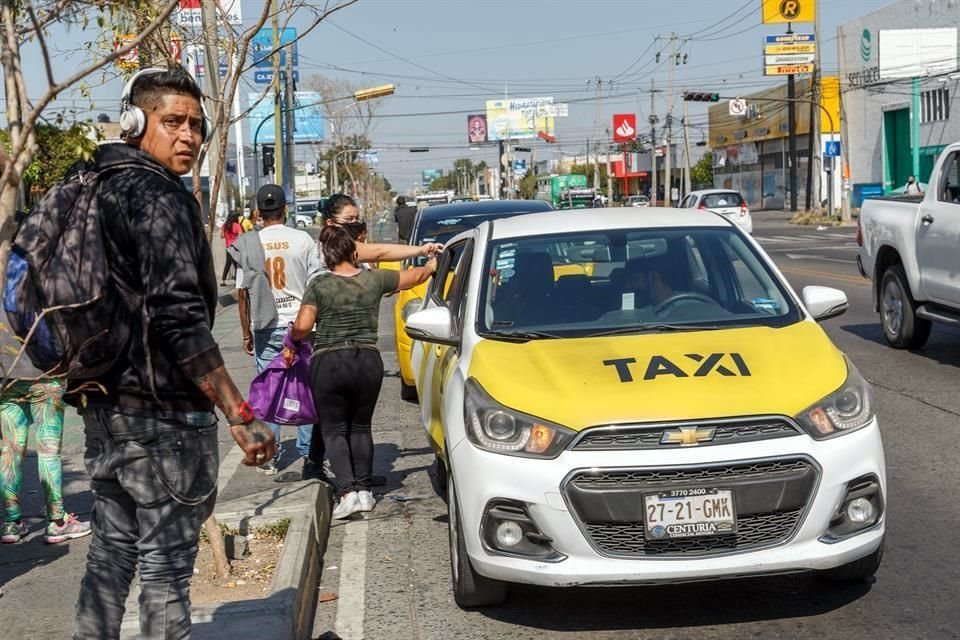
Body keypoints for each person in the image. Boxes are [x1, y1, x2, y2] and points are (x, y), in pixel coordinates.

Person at [71, 66, 275, 639]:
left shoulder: (94, 186)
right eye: (173, 121)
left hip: (106, 411)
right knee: (164, 569)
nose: (188, 135)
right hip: (162, 419)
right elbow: (179, 318)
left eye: (195, 124)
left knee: (110, 553)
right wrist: (242, 415)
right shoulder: (159, 197)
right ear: (136, 123)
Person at [286, 225, 436, 519]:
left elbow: (303, 325)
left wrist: (292, 339)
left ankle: (348, 492)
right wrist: (431, 262)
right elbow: (414, 277)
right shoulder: (374, 278)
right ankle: (365, 491)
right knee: (360, 427)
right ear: (354, 252)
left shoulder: (319, 285)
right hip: (368, 361)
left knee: (333, 430)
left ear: (326, 255)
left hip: (330, 362)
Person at [230, 184, 321, 477]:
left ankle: (270, 455)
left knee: (269, 391)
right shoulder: (303, 239)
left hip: (265, 325)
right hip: (301, 324)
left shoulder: (248, 243)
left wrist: (246, 333)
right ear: (285, 210)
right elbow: (316, 285)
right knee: (305, 387)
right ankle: (309, 454)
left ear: (258, 213)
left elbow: (242, 293)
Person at [0, 327, 91, 544]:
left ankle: (12, 522)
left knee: (10, 449)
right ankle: (57, 522)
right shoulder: (40, 291)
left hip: (5, 376)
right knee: (48, 450)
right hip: (45, 374)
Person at [220, 212, 243, 285]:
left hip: (228, 247)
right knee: (236, 264)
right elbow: (241, 236)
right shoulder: (237, 225)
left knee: (228, 264)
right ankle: (237, 281)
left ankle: (223, 280)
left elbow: (222, 236)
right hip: (235, 247)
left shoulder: (225, 225)